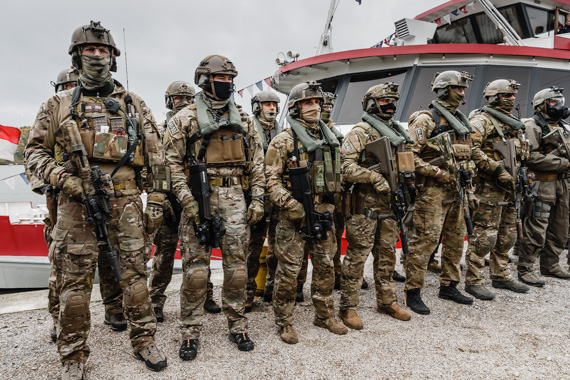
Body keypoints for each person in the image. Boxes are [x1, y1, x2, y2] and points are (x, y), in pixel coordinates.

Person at [25, 21, 168, 379]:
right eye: (90, 51)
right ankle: (73, 355)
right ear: (77, 55)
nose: (97, 57)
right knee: (75, 284)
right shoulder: (57, 105)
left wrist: (156, 202)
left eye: (103, 51)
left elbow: (158, 158)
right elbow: (35, 155)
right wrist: (65, 180)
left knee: (135, 278)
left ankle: (145, 340)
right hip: (76, 207)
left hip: (128, 205)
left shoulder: (134, 104)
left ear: (112, 58)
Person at [163, 54, 265, 360]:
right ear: (205, 81)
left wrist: (258, 197)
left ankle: (237, 323)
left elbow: (257, 162)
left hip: (235, 198)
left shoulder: (245, 120)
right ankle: (190, 331)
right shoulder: (184, 119)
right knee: (195, 272)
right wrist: (188, 202)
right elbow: (171, 165)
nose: (226, 85)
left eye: (230, 80)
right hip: (198, 200)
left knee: (237, 269)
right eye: (221, 79)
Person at [265, 81, 347, 344]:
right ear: (296, 107)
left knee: (325, 268)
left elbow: (341, 171)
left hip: (324, 212)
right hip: (293, 216)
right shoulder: (283, 141)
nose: (314, 107)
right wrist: (292, 205)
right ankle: (285, 321)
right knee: (289, 272)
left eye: (316, 102)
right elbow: (270, 182)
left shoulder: (330, 139)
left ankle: (324, 315)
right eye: (307, 102)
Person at [339, 82, 413, 329]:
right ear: (371, 103)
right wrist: (374, 178)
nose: (390, 105)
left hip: (390, 206)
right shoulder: (360, 132)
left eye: (393, 101)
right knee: (357, 258)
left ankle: (387, 301)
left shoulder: (398, 133)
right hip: (365, 208)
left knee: (387, 255)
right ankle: (348, 307)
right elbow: (345, 166)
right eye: (384, 101)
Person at [405, 70, 477, 315]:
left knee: (457, 239)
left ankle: (449, 285)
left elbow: (471, 150)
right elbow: (408, 156)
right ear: (445, 89)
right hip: (433, 190)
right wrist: (437, 173)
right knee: (425, 241)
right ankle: (412, 291)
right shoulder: (426, 119)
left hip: (457, 188)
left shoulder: (460, 120)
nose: (462, 93)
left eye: (463, 89)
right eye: (458, 88)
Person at [148, 80, 221, 322]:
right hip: (170, 201)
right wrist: (159, 200)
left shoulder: (200, 127)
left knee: (202, 251)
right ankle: (156, 301)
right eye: (178, 99)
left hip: (198, 198)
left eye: (187, 99)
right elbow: (158, 168)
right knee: (164, 256)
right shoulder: (160, 131)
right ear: (169, 102)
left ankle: (206, 295)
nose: (183, 103)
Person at [464, 79, 531, 300]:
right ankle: (474, 280)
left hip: (512, 186)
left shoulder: (512, 122)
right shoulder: (482, 120)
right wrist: (495, 169)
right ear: (494, 97)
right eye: (506, 96)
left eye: (513, 96)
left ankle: (501, 275)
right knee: (485, 234)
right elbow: (470, 148)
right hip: (490, 186)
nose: (512, 99)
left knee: (508, 234)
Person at [517, 86, 570, 286]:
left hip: (563, 184)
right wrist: (564, 164)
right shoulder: (533, 126)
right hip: (543, 184)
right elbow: (530, 157)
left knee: (560, 227)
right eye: (554, 102)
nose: (560, 105)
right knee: (537, 227)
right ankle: (526, 267)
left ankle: (550, 264)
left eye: (561, 101)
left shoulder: (563, 127)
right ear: (542, 105)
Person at [245, 90, 281, 312]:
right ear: (258, 107)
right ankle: (248, 293)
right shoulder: (247, 131)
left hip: (277, 196)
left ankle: (271, 289)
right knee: (253, 247)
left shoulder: (282, 132)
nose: (272, 108)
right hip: (255, 196)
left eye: (274, 104)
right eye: (267, 104)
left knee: (278, 247)